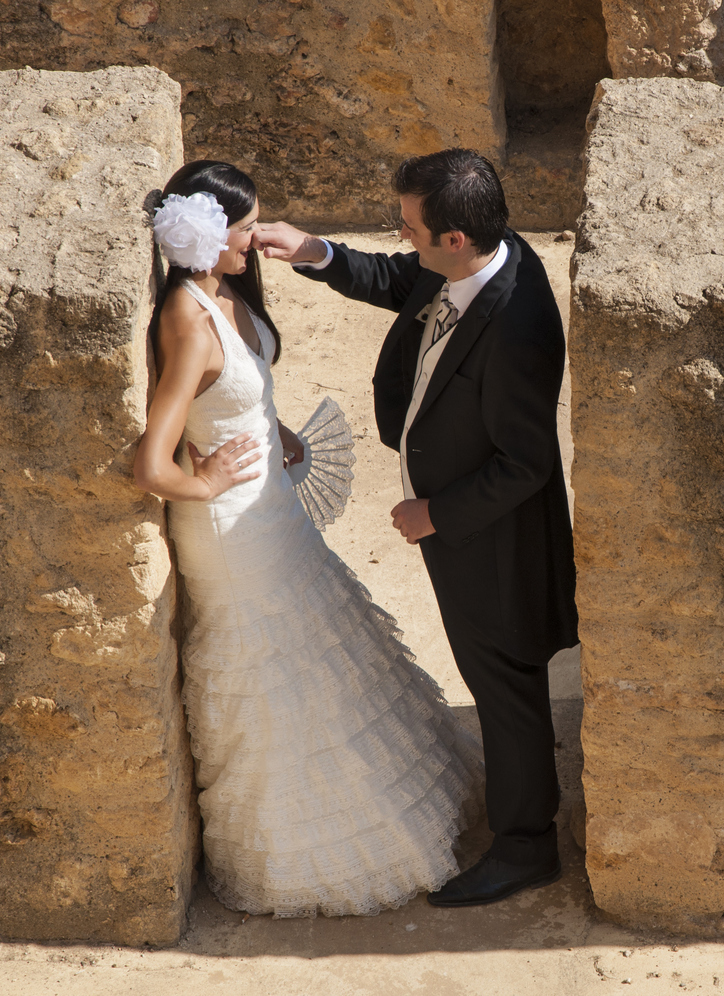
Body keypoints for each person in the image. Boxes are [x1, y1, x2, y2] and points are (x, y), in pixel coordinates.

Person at [132, 160, 482, 917]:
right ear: (206, 234)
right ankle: (296, 859)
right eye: (247, 226)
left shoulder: (227, 293)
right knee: (271, 674)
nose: (257, 238)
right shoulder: (187, 318)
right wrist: (207, 484)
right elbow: (150, 461)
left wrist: (274, 429)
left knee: (319, 649)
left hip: (274, 510)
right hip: (233, 535)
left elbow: (236, 384)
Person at [256, 148, 578, 907]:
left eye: (409, 227)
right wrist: (314, 251)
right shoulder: (476, 256)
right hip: (465, 529)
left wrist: (437, 512)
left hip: (491, 542)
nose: (402, 238)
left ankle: (527, 844)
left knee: (505, 685)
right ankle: (522, 819)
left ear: (456, 238)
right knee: (493, 679)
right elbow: (400, 281)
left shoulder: (518, 326)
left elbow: (525, 463)